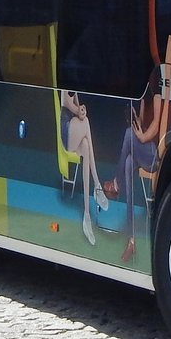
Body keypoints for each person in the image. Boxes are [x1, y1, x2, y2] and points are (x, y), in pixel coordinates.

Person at [111, 87, 162, 262]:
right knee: (127, 163)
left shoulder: (157, 90)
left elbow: (156, 124)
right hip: (142, 150)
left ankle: (117, 183)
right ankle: (131, 241)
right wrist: (134, 118)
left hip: (153, 154)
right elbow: (141, 121)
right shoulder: (143, 93)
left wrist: (141, 136)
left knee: (128, 134)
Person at [61, 90, 108, 246]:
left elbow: (79, 108)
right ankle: (97, 185)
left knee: (87, 146)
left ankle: (86, 215)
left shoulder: (74, 86)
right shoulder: (63, 87)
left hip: (75, 131)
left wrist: (82, 109)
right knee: (86, 121)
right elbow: (74, 109)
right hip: (67, 132)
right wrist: (81, 111)